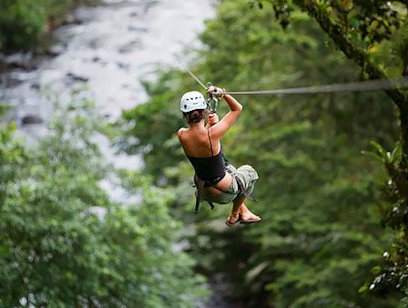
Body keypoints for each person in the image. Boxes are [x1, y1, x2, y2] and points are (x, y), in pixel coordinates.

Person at [177, 85, 261, 226]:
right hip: (223, 191)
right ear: (204, 111)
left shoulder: (181, 134)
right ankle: (235, 213)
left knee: (230, 168)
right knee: (250, 172)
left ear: (185, 115)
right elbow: (237, 109)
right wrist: (223, 93)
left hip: (203, 191)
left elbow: (202, 143)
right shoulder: (212, 133)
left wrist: (211, 125)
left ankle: (245, 211)